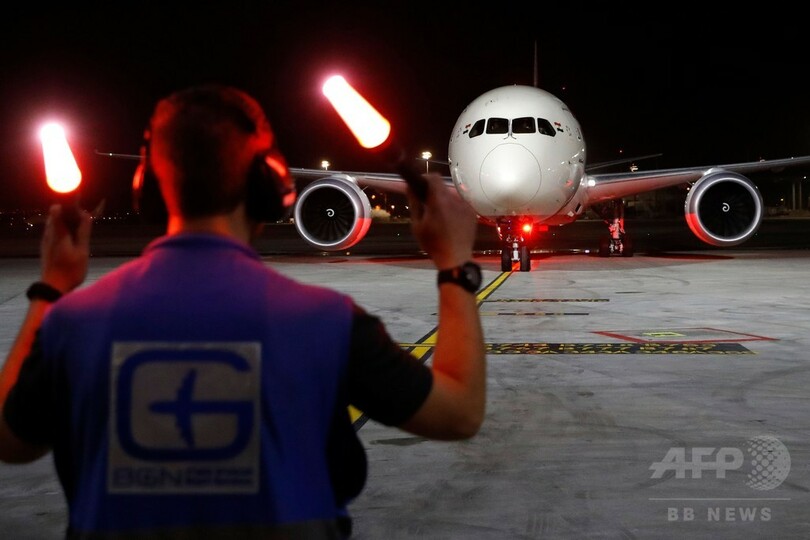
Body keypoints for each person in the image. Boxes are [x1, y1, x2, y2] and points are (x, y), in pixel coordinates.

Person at [0, 84, 485, 539]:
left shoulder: (73, 323)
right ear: (271, 186)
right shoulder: (326, 321)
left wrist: (51, 288)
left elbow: (10, 441)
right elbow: (458, 414)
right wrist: (454, 266)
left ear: (146, 188)